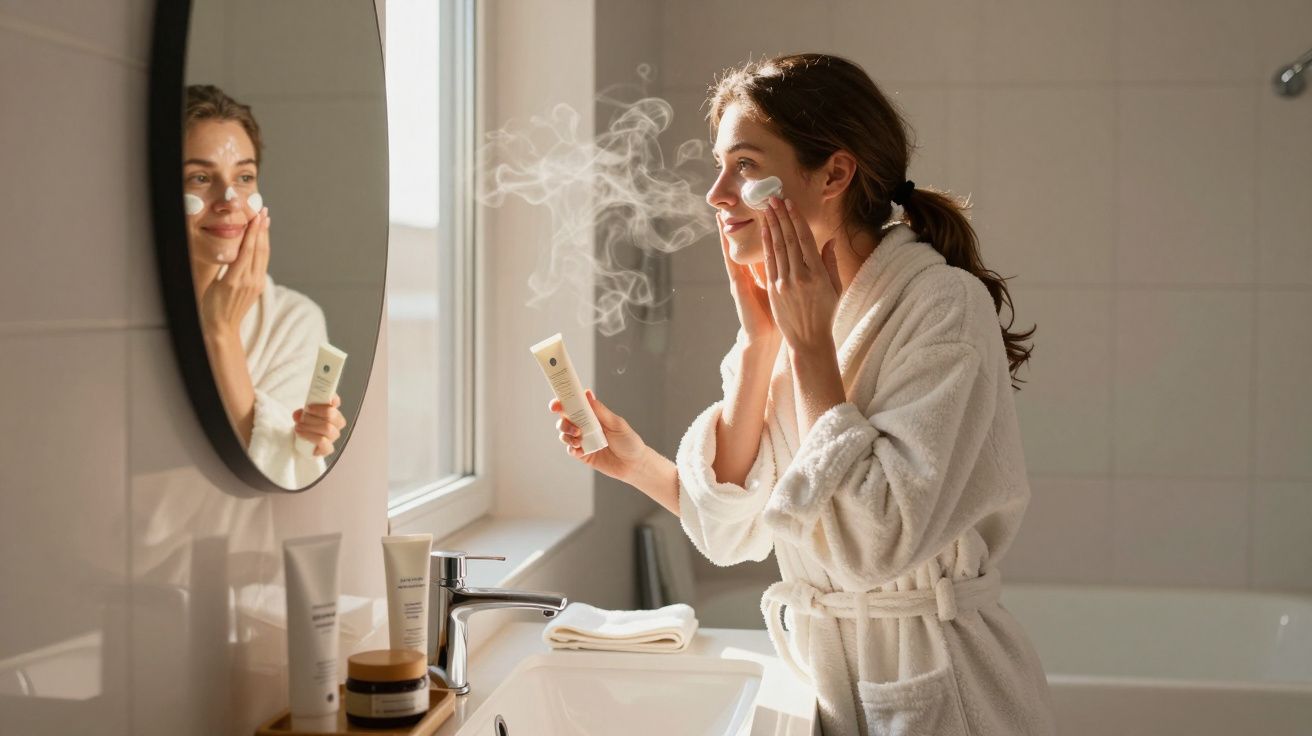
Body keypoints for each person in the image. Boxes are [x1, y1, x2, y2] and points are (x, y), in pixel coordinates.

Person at [547, 54, 1055, 734]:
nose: (716, 193)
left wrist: (811, 349)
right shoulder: (788, 316)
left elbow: (876, 541)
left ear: (835, 174)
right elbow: (735, 532)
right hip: (825, 677)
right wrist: (754, 349)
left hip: (943, 691)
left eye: (747, 166)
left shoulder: (941, 307)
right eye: (719, 165)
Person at [183, 84, 346, 488]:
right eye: (201, 177)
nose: (229, 199)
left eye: (245, 176)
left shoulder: (293, 320)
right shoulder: (119, 317)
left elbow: (272, 475)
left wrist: (219, 331)